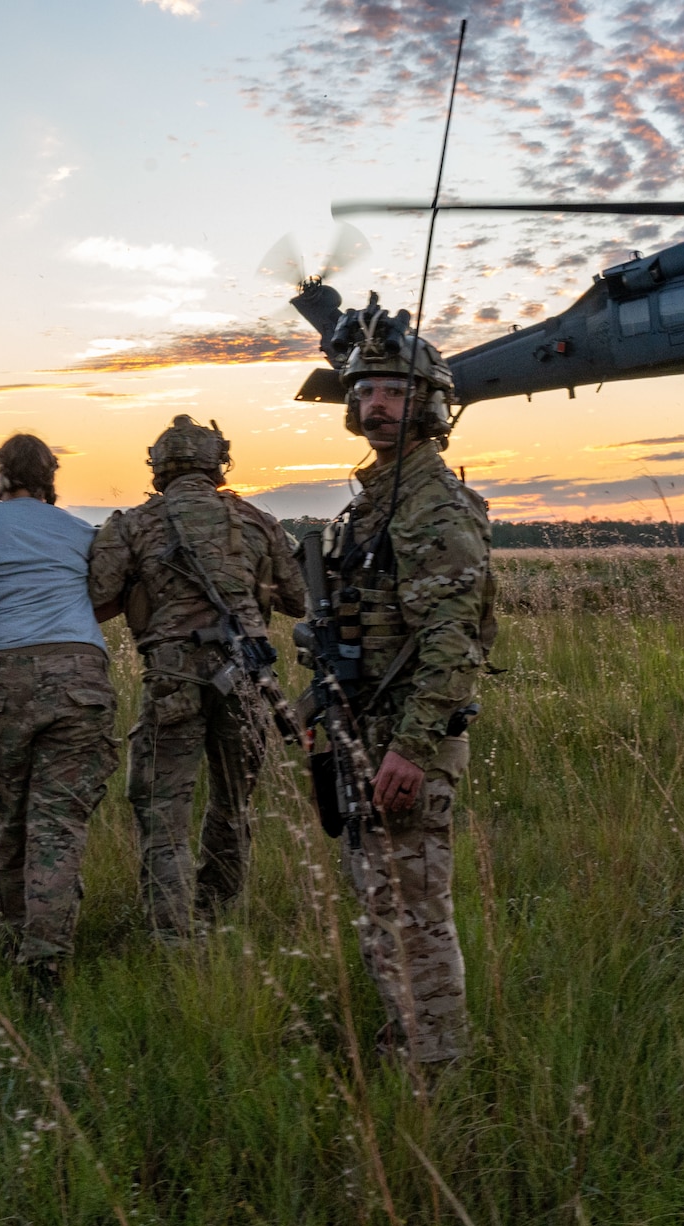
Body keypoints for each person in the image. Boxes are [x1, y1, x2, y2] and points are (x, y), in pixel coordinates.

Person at [305, 303, 495, 1065]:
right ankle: (404, 1034)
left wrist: (413, 747)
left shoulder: (430, 505)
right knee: (381, 898)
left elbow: (453, 643)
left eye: (394, 389)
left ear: (430, 404)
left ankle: (439, 1064)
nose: (376, 403)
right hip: (367, 727)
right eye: (367, 390)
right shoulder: (374, 501)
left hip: (406, 741)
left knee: (415, 905)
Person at [86, 415, 305, 944]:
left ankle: (174, 933)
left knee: (164, 807)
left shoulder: (133, 523)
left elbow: (97, 599)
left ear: (157, 465)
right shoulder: (258, 521)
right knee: (233, 801)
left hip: (172, 677)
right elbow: (299, 600)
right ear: (217, 462)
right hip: (248, 675)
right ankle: (217, 906)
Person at [0, 434, 115, 987]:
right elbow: (105, 597)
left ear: (0, 475)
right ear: (50, 476)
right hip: (80, 677)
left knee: (11, 817)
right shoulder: (81, 532)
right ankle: (46, 958)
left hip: (0, 678)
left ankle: (16, 937)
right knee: (59, 823)